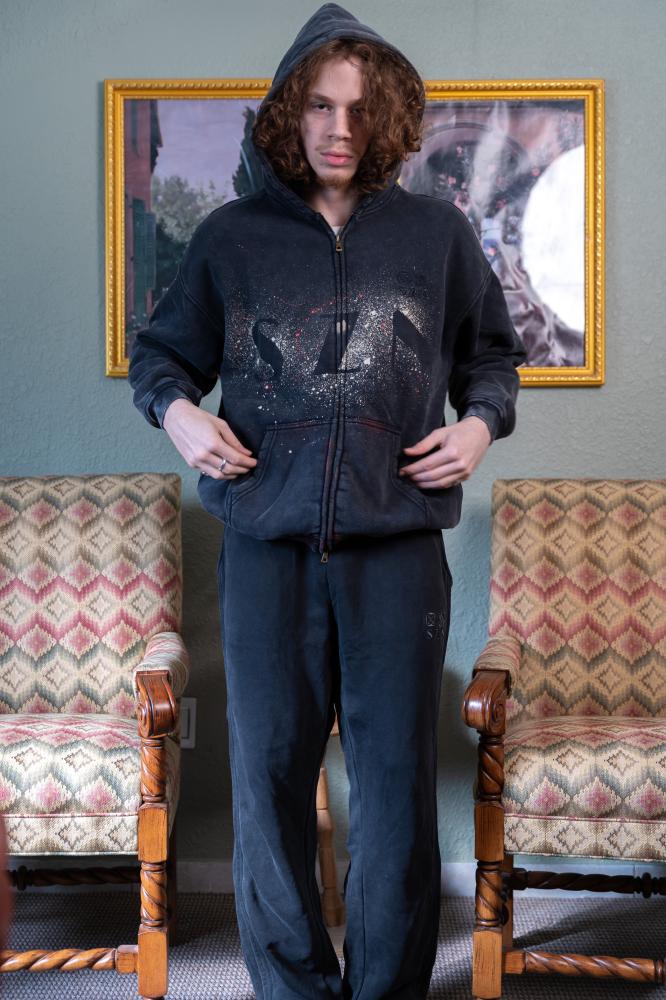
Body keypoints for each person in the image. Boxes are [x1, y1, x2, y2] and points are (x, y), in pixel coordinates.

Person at [129, 4, 527, 997]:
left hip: (397, 551)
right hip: (266, 548)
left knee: (394, 791)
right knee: (267, 782)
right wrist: (179, 415)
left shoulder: (438, 235)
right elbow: (161, 357)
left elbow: (492, 359)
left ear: (384, 115)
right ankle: (293, 989)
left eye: (358, 107)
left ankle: (385, 989)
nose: (339, 127)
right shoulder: (230, 237)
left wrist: (479, 426)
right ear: (287, 113)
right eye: (318, 104)